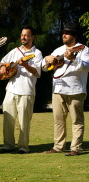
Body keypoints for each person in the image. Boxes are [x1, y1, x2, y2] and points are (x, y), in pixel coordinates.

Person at [42, 22, 89, 156]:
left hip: (75, 89)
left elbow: (87, 66)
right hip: (58, 90)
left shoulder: (83, 49)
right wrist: (47, 59)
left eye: (67, 33)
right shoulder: (57, 50)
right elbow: (44, 68)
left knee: (76, 121)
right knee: (58, 120)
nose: (64, 34)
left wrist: (73, 59)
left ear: (74, 36)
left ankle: (76, 148)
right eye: (63, 32)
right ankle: (58, 146)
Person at [0, 26, 43, 154]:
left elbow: (37, 72)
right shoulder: (15, 50)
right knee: (8, 119)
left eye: (26, 35)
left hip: (27, 90)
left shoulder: (37, 53)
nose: (23, 37)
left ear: (32, 37)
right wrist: (2, 67)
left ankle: (23, 147)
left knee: (24, 121)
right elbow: (3, 62)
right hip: (11, 89)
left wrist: (25, 65)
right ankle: (8, 145)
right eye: (22, 35)